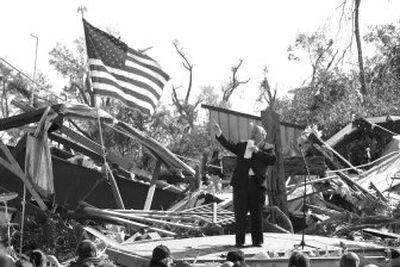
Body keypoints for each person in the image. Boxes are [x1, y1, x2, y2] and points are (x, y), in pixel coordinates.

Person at [212, 121, 276, 247]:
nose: (252, 134)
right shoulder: (243, 145)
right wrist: (219, 133)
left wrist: (257, 151)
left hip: (257, 185)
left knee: (256, 214)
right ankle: (239, 242)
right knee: (240, 214)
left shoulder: (268, 147)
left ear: (262, 135)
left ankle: (257, 241)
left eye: (255, 133)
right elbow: (229, 146)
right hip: (241, 184)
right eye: (252, 132)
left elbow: (272, 160)